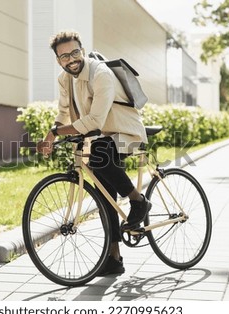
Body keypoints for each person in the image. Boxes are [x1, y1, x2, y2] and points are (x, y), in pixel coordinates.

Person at [37, 30, 151, 276]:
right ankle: (114, 259)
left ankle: (138, 201)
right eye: (64, 56)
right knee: (103, 194)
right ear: (58, 60)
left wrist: (54, 134)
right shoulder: (64, 78)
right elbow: (63, 112)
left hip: (124, 131)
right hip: (98, 135)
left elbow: (97, 120)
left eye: (75, 52)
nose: (71, 59)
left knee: (99, 158)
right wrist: (54, 130)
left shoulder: (101, 73)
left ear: (83, 51)